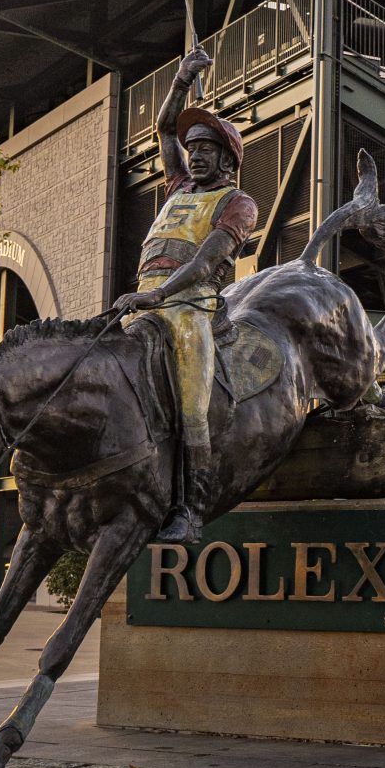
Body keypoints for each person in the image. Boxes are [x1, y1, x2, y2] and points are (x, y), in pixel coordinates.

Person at [111, 45, 257, 544]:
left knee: (193, 409)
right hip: (143, 305)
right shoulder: (175, 188)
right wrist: (180, 78)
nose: (194, 156)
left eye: (206, 150)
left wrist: (158, 297)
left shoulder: (237, 202)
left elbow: (203, 263)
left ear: (226, 159)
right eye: (191, 149)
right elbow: (163, 128)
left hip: (191, 310)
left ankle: (192, 510)